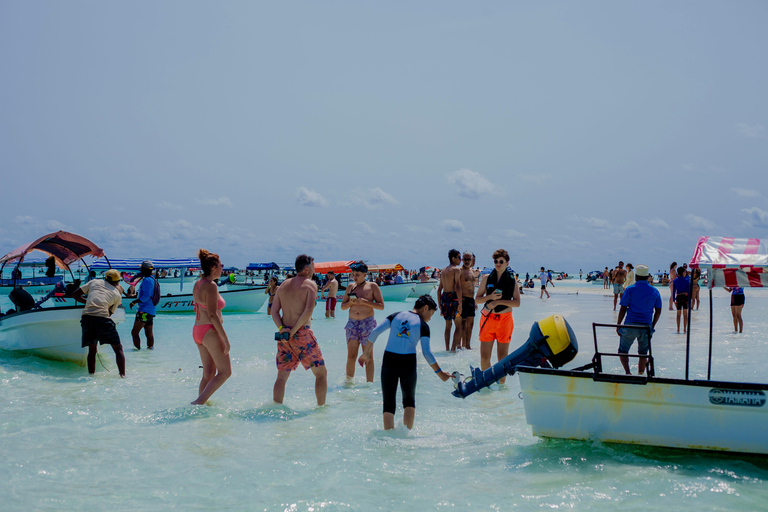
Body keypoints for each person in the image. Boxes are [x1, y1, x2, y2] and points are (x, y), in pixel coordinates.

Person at [358, 295, 451, 430]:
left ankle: (389, 439)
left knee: (388, 402)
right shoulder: (423, 326)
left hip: (389, 360)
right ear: (426, 308)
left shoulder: (395, 315)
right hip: (408, 362)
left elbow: (375, 332)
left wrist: (366, 354)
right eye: (431, 313)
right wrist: (440, 373)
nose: (430, 318)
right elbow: (427, 353)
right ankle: (406, 437)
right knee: (409, 401)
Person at [271, 254, 327, 406]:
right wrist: (294, 331)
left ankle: (276, 409)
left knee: (281, 377)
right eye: (314, 267)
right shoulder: (310, 285)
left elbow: (273, 312)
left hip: (284, 336)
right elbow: (308, 312)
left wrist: (283, 329)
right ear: (307, 269)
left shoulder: (283, 285)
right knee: (321, 374)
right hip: (301, 334)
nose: (315, 270)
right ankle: (321, 410)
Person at [191, 249, 231, 405]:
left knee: (208, 373)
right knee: (225, 372)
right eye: (221, 265)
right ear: (214, 267)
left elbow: (198, 308)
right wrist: (225, 340)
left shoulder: (198, 283)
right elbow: (213, 315)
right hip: (209, 330)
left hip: (198, 330)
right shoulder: (211, 285)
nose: (222, 268)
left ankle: (201, 408)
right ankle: (198, 402)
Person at [476, 249, 521, 384]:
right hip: (488, 319)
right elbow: (477, 300)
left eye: (501, 261)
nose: (498, 264)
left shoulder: (512, 280)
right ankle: (486, 385)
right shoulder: (486, 278)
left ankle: (501, 387)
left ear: (507, 263)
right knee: (485, 356)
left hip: (505, 319)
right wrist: (489, 297)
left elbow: (517, 302)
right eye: (496, 261)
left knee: (502, 356)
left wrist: (498, 301)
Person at [72, 269, 126, 377]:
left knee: (92, 350)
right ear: (117, 282)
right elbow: (109, 313)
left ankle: (91, 375)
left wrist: (88, 302)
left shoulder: (94, 282)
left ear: (105, 278)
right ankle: (122, 375)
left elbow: (75, 295)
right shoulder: (117, 294)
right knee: (118, 349)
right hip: (102, 319)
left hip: (87, 318)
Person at [341, 261, 384, 382]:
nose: (354, 277)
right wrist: (351, 303)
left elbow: (381, 306)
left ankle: (369, 384)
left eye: (357, 274)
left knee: (368, 356)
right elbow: (343, 307)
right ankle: (349, 383)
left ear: (365, 274)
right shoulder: (350, 286)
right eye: (353, 274)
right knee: (351, 356)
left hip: (367, 323)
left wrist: (364, 302)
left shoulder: (372, 286)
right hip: (352, 323)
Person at [616, 265, 662, 375]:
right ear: (647, 277)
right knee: (643, 353)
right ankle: (641, 374)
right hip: (646, 326)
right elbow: (658, 311)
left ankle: (628, 372)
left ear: (636, 277)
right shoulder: (654, 291)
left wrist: (618, 325)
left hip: (630, 325)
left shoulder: (629, 289)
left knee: (623, 351)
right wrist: (652, 326)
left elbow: (623, 308)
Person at [436, 249, 463, 351]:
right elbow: (458, 287)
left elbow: (439, 290)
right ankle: (453, 349)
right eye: (459, 258)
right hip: (453, 298)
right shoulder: (456, 270)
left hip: (445, 298)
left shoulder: (443, 271)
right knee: (458, 325)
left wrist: (440, 305)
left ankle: (447, 349)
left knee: (448, 326)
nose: (460, 260)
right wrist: (460, 303)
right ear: (453, 258)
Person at [129, 260, 157, 350]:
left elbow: (146, 296)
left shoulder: (147, 280)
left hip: (144, 311)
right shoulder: (153, 279)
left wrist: (134, 302)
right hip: (151, 311)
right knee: (149, 333)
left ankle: (137, 353)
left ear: (144, 270)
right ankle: (150, 351)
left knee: (134, 332)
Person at [459, 251, 477, 350]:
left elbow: (472, 287)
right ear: (462, 259)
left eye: (468, 259)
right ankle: (460, 345)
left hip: (471, 300)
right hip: (463, 300)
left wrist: (474, 301)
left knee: (470, 323)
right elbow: (455, 285)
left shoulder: (473, 272)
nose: (466, 261)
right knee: (463, 323)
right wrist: (458, 300)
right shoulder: (459, 271)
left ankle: (467, 345)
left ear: (472, 260)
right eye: (465, 259)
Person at [672, 266, 690, 333]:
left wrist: (673, 300)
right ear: (683, 272)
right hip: (685, 297)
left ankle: (678, 329)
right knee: (685, 314)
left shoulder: (675, 281)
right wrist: (689, 300)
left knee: (678, 314)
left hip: (678, 297)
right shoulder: (687, 280)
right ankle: (685, 329)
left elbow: (673, 291)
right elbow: (689, 291)